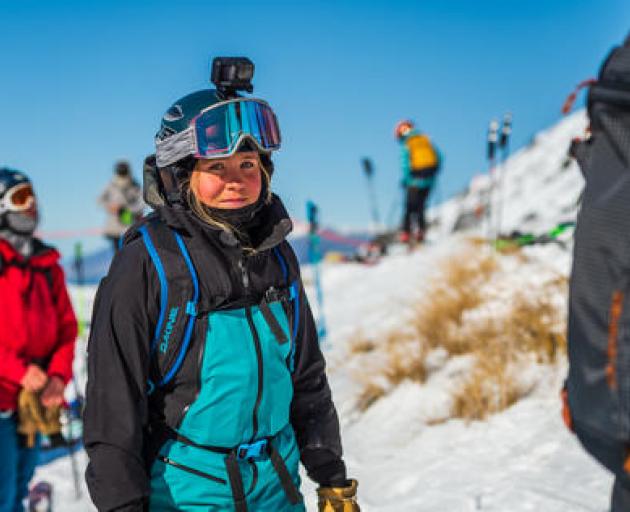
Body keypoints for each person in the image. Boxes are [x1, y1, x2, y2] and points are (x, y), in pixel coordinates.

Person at [84, 62, 360, 512]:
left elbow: (305, 375)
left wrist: (331, 476)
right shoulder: (147, 263)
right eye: (217, 166)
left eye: (248, 164)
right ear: (180, 176)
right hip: (188, 490)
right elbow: (113, 406)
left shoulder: (276, 252)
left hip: (277, 483)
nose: (237, 180)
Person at [0, 167, 77, 511]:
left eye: (31, 195)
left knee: (18, 485)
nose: (30, 205)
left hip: (34, 402)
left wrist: (58, 378)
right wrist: (19, 372)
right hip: (4, 398)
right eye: (19, 198)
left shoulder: (48, 265)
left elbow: (67, 329)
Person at [394, 119, 442, 244]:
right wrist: (433, 175)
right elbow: (439, 157)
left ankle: (406, 233)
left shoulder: (408, 143)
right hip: (429, 180)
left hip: (414, 181)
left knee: (410, 207)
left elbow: (405, 163)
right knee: (421, 207)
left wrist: (406, 179)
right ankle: (421, 232)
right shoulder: (426, 140)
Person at [98, 160, 144, 252]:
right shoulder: (111, 185)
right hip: (114, 228)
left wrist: (129, 210)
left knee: (131, 252)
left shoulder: (135, 185)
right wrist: (110, 207)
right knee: (118, 254)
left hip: (130, 226)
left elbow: (142, 203)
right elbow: (100, 200)